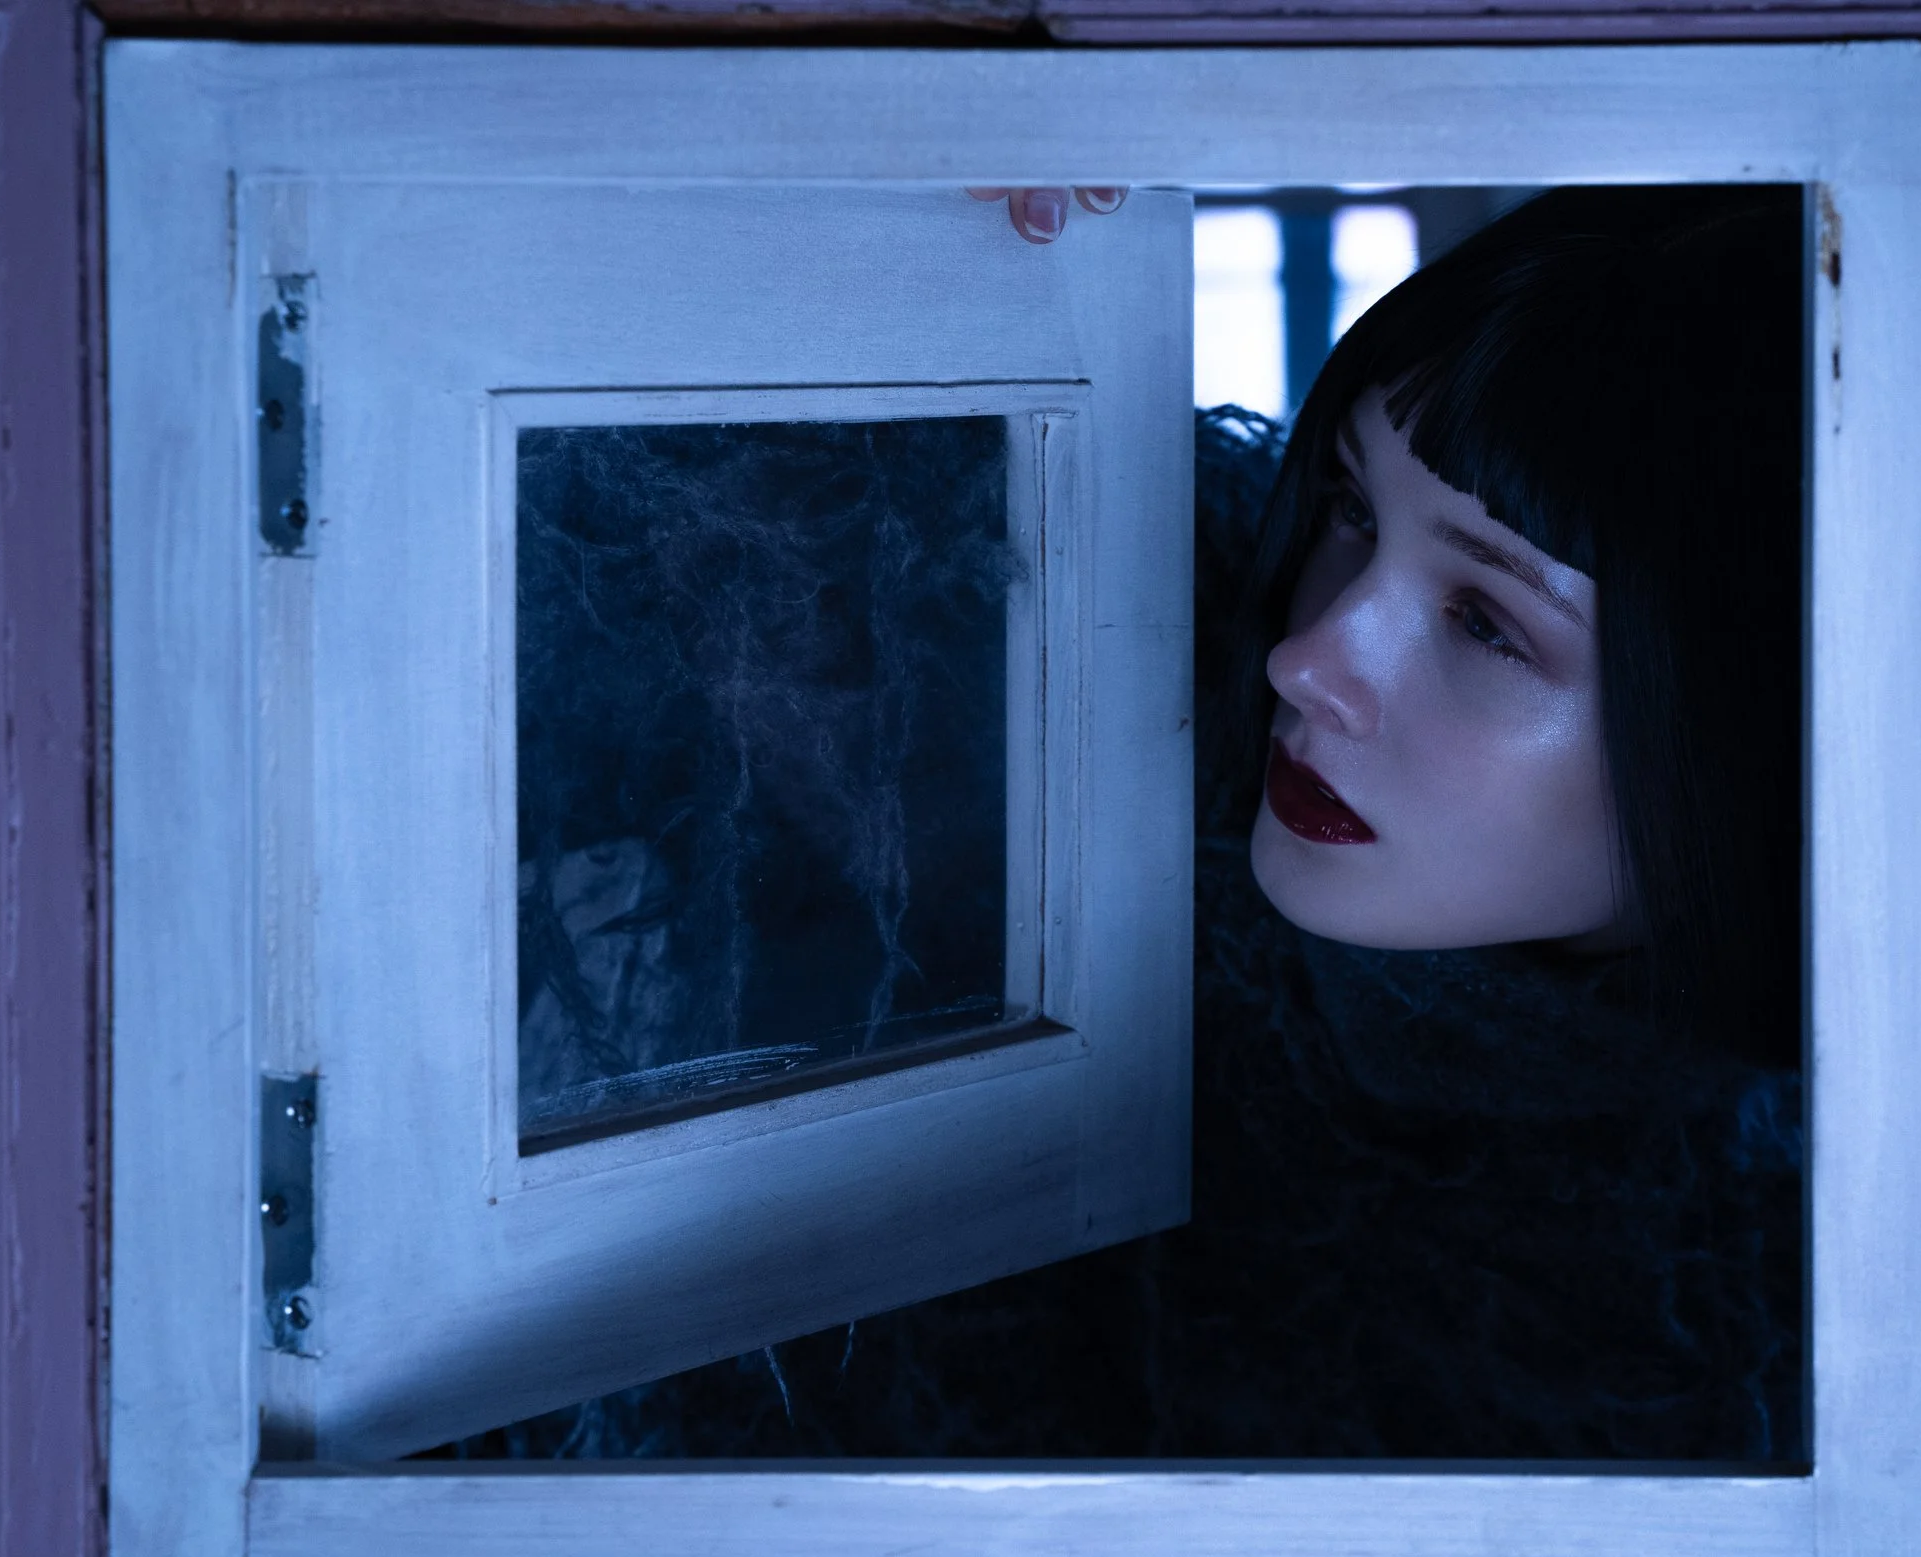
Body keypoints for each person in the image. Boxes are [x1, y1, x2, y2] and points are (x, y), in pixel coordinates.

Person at [444, 184, 1809, 1464]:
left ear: (1753, 732)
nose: (1307, 657)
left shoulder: (1775, 1325)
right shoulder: (1103, 659)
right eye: (1345, 507)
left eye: (1485, 621)